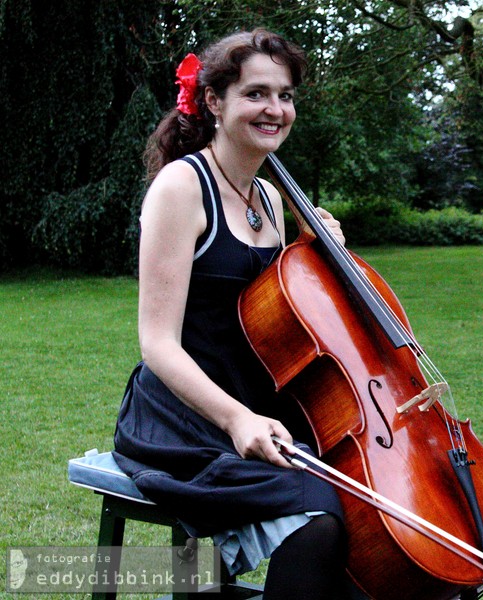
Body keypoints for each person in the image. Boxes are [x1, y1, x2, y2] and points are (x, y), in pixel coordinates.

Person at [112, 28, 352, 599]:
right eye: (256, 94)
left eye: (286, 95)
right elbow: (158, 344)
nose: (275, 109)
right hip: (182, 415)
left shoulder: (270, 197)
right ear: (215, 102)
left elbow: (272, 318)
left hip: (259, 399)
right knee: (319, 519)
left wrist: (322, 258)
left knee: (365, 503)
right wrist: (236, 419)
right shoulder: (180, 187)